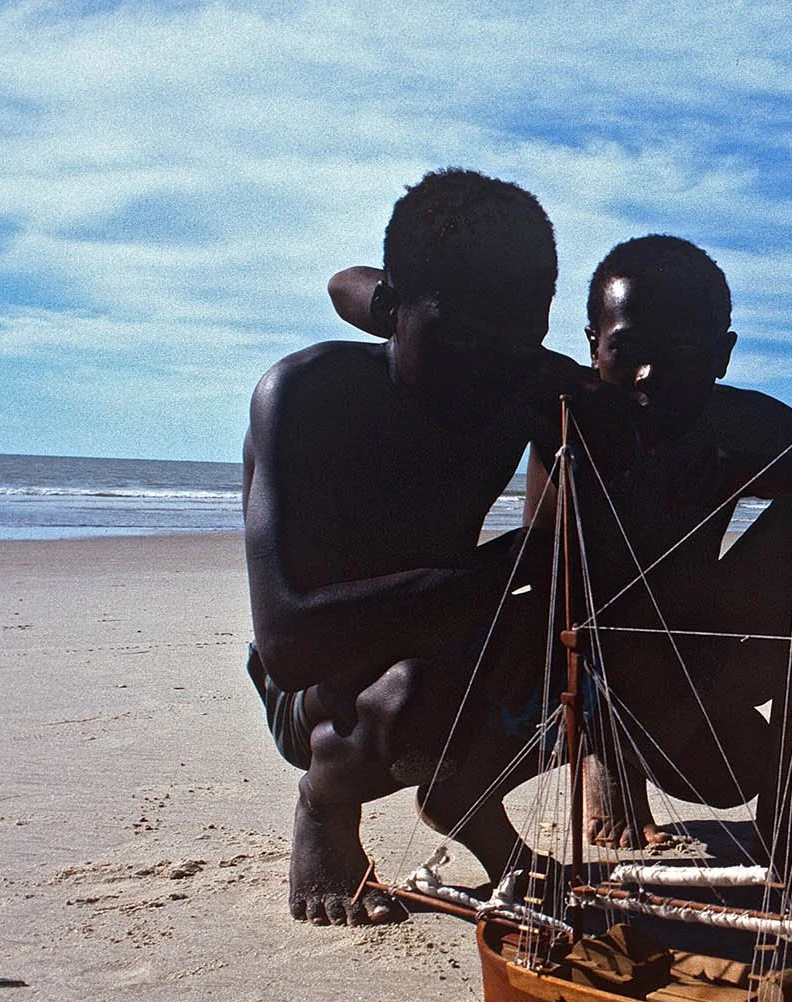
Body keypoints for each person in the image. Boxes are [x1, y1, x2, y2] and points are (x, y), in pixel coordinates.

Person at [327, 235, 792, 852]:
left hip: (676, 664)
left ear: (722, 355)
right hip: (558, 666)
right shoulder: (558, 397)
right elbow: (344, 285)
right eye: (627, 348)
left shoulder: (734, 423)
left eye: (683, 350)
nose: (650, 373)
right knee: (449, 769)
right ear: (592, 346)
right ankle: (599, 767)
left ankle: (784, 800)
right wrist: (405, 302)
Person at [244, 168, 635, 926]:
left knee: (616, 656)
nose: (485, 369)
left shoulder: (519, 377)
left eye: (519, 340)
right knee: (412, 691)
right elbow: (290, 644)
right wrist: (507, 567)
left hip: (451, 633)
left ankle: (469, 803)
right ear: (391, 309)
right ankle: (323, 802)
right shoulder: (307, 396)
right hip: (323, 684)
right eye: (459, 338)